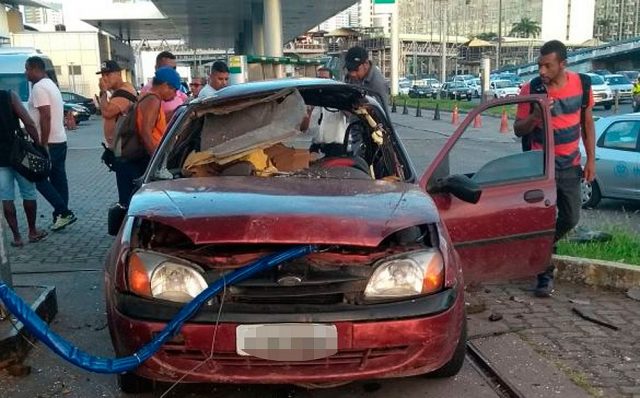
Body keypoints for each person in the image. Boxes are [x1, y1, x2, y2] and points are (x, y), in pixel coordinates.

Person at [514, 40, 596, 298]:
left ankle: (544, 246)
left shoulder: (582, 85)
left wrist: (591, 159)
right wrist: (536, 117)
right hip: (541, 167)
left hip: (570, 164)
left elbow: (587, 124)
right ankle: (544, 275)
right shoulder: (532, 89)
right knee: (543, 220)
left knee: (571, 218)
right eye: (540, 65)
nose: (542, 71)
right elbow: (518, 129)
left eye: (547, 66)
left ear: (563, 64)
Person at [25, 56, 77, 231]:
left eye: (27, 69)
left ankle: (63, 212)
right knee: (58, 178)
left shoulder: (39, 88)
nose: (26, 73)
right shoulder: (51, 84)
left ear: (34, 69)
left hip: (48, 142)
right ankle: (61, 216)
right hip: (60, 139)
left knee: (37, 177)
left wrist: (42, 143)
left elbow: (45, 116)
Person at [0, 90, 48, 247]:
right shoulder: (9, 96)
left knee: (6, 198)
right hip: (19, 153)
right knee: (28, 192)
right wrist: (39, 144)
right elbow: (28, 122)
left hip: (0, 159)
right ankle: (32, 231)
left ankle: (16, 237)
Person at [96, 60, 138, 207]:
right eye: (102, 75)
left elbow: (107, 112)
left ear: (118, 74)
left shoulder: (124, 92)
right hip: (120, 148)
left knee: (126, 194)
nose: (104, 78)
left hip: (124, 149)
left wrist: (102, 93)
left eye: (108, 74)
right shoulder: (117, 93)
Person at [300, 67, 348, 157]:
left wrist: (338, 101)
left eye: (325, 79)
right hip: (316, 146)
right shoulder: (311, 100)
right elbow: (303, 128)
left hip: (335, 147)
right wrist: (309, 111)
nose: (322, 82)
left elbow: (350, 115)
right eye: (319, 79)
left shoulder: (338, 97)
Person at [141, 51, 188, 120]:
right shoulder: (150, 95)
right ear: (156, 68)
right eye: (167, 68)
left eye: (174, 68)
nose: (172, 71)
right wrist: (178, 113)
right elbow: (150, 124)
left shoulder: (173, 85)